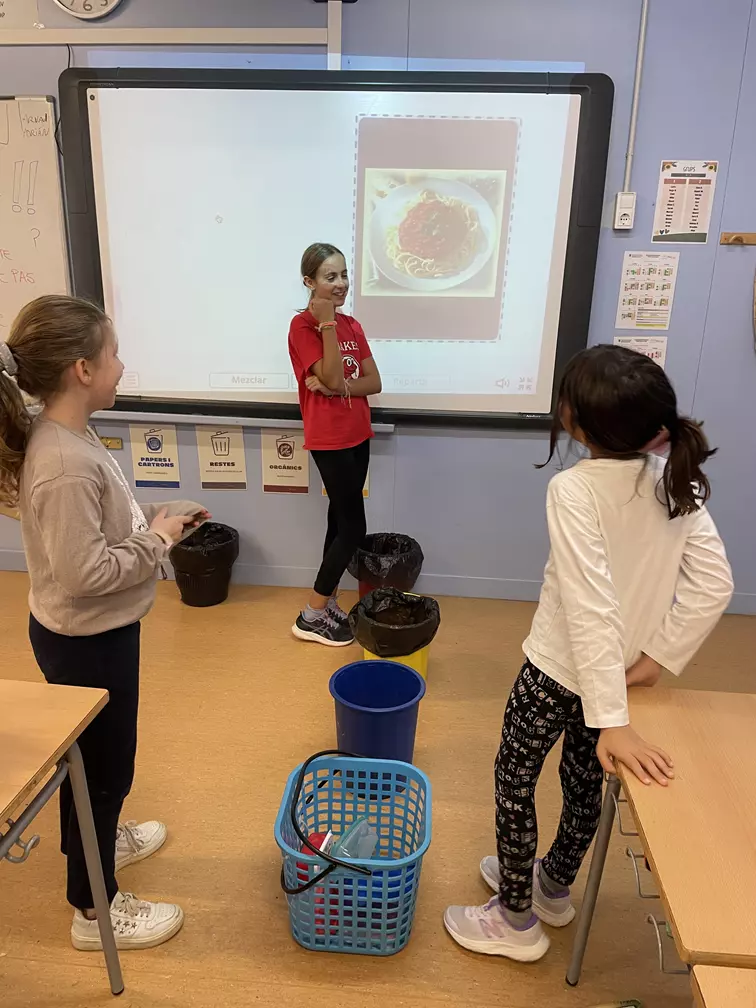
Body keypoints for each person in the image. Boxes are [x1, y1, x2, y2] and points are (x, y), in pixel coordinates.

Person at [444, 344, 733, 962]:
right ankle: (552, 888)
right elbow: (715, 585)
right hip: (617, 677)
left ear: (577, 423)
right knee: (582, 786)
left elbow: (590, 606)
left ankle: (515, 919)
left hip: (556, 672)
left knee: (515, 782)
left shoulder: (574, 489)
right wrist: (654, 660)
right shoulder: (674, 477)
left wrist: (613, 719)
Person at [0, 295, 208, 951]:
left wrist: (153, 528)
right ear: (82, 370)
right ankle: (93, 910)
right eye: (113, 353)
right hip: (86, 641)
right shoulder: (63, 463)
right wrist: (158, 540)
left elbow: (91, 544)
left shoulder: (73, 437)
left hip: (97, 632)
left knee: (97, 763)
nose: (122, 364)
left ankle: (100, 839)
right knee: (103, 771)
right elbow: (85, 573)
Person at [288, 243, 382, 646]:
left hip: (358, 432)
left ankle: (325, 605)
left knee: (338, 521)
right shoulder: (302, 327)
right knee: (354, 527)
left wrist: (336, 388)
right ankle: (311, 614)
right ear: (309, 281)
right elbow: (328, 374)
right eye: (331, 276)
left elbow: (373, 382)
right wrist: (326, 324)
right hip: (330, 439)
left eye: (344, 274)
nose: (341, 283)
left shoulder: (352, 325)